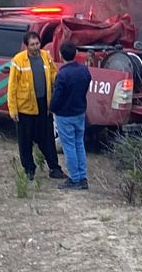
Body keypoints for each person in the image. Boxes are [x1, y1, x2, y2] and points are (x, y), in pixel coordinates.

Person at [6, 28, 64, 181]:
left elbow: (53, 74)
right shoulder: (18, 60)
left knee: (47, 139)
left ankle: (54, 168)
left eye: (37, 43)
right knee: (25, 141)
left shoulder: (46, 56)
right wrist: (13, 109)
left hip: (43, 106)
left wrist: (58, 86)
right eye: (32, 44)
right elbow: (12, 86)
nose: (35, 47)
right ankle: (29, 169)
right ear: (27, 46)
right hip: (25, 107)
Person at [51, 40, 92, 190]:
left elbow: (57, 96)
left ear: (61, 55)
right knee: (79, 144)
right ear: (75, 54)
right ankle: (82, 176)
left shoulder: (62, 75)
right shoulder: (84, 71)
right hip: (79, 112)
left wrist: (52, 107)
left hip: (64, 115)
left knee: (69, 147)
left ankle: (75, 179)